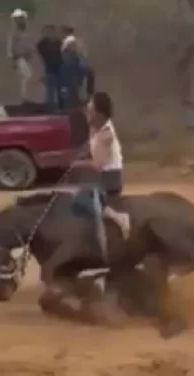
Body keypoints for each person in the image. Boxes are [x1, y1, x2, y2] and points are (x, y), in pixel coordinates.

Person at [68, 92, 130, 261]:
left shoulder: (106, 135)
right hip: (101, 175)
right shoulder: (95, 127)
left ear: (100, 114)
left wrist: (77, 164)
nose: (87, 113)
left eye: (90, 110)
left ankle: (119, 218)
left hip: (110, 178)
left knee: (81, 200)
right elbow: (90, 147)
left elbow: (98, 164)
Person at [7, 8, 35, 104]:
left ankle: (26, 98)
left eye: (22, 18)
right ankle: (23, 98)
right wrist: (13, 60)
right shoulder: (14, 33)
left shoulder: (26, 32)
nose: (21, 20)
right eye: (19, 18)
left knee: (27, 78)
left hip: (27, 58)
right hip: (19, 58)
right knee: (25, 77)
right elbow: (11, 48)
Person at [37, 25, 63, 112]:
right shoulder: (42, 44)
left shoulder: (59, 43)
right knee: (50, 91)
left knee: (59, 90)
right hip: (49, 70)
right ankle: (51, 109)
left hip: (59, 69)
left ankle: (61, 107)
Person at [60, 35, 90, 109]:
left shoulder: (76, 55)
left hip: (74, 79)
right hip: (71, 79)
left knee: (74, 98)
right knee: (72, 98)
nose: (75, 46)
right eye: (73, 45)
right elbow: (68, 69)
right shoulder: (68, 56)